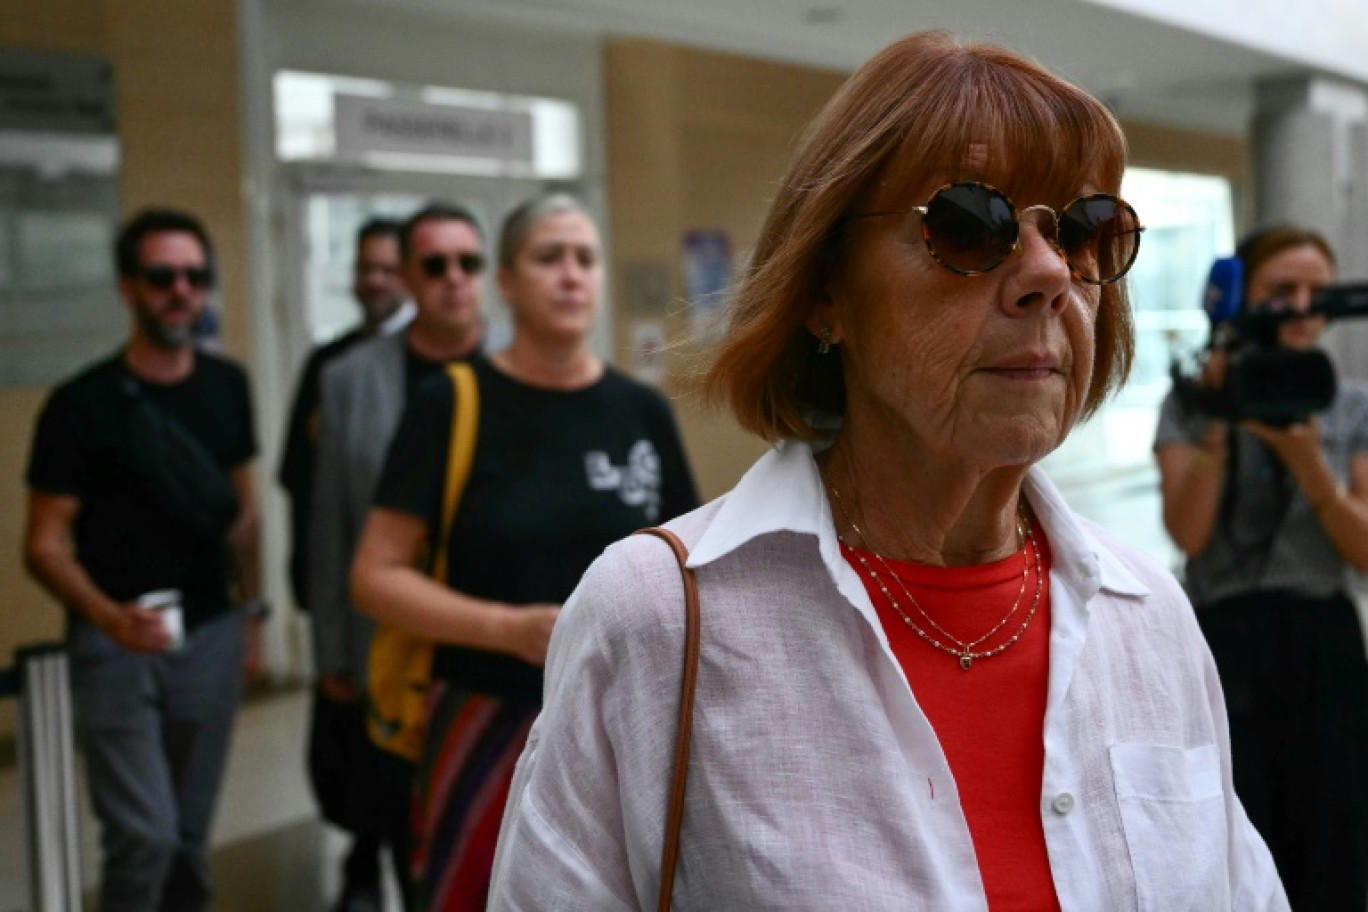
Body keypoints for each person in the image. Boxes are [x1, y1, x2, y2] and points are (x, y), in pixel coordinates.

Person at [488, 32, 1289, 911]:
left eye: (1086, 232)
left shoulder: (1150, 615)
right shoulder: (661, 617)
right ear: (827, 293)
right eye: (969, 225)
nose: (1051, 273)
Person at [351, 193, 699, 911]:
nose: (571, 276)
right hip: (484, 714)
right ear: (506, 283)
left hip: (618, 723)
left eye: (584, 259)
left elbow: (687, 565)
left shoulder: (641, 412)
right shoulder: (450, 403)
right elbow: (374, 578)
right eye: (549, 259)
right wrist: (508, 630)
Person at [22, 207, 262, 912]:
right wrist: (107, 617)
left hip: (211, 632)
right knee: (143, 835)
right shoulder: (82, 404)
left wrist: (251, 613)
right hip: (115, 642)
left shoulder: (227, 387)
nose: (181, 291)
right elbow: (42, 544)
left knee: (188, 840)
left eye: (195, 276)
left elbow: (242, 517)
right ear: (129, 287)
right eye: (162, 277)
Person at [1154, 224, 1368, 909]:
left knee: (1335, 833)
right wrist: (1223, 414)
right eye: (1282, 292)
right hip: (1222, 642)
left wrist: (1312, 470)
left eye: (1316, 293)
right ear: (1241, 297)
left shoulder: (1351, 403)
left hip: (1323, 640)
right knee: (1236, 828)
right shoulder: (1195, 399)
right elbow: (1187, 529)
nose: (1301, 308)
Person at [308, 202, 488, 911]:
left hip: (492, 638)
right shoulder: (351, 378)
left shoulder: (519, 367)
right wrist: (329, 650)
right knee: (402, 830)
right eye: (434, 265)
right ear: (408, 277)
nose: (453, 279)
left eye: (467, 263)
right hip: (385, 640)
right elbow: (331, 521)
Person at [279, 216, 412, 912]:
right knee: (349, 748)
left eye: (388, 268)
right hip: (347, 595)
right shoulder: (330, 369)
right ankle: (362, 862)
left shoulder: (448, 369)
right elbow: (307, 487)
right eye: (365, 268)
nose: (375, 281)